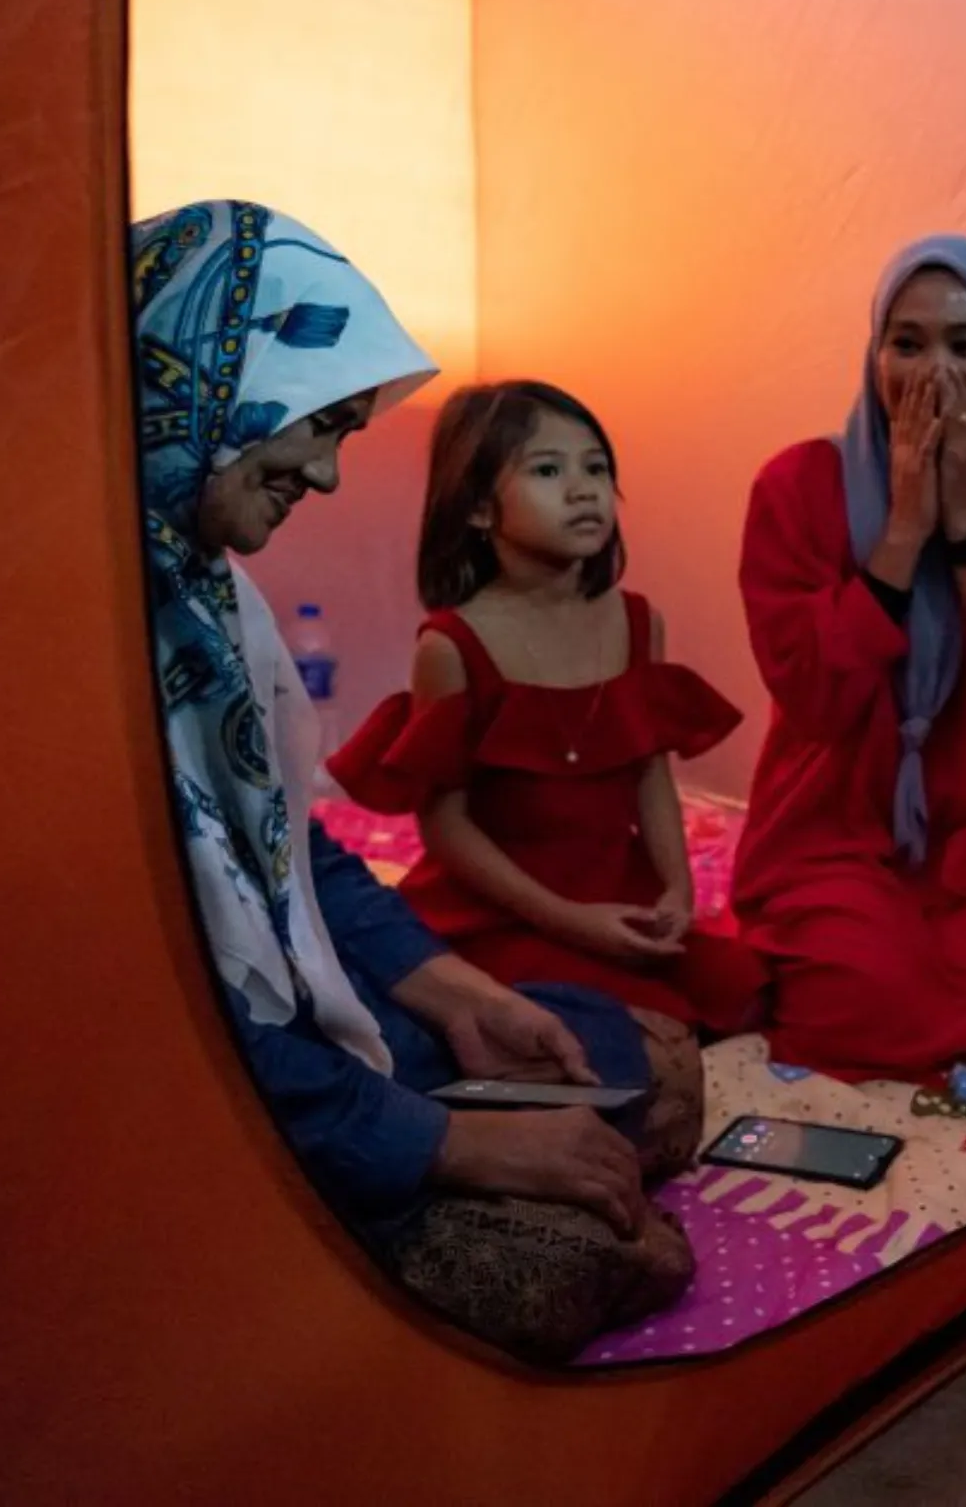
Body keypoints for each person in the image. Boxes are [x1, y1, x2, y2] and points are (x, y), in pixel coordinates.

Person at [135, 200, 700, 1366]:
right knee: (574, 1245)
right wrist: (446, 1144)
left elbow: (299, 854)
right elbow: (165, 1013)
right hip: (191, 1089)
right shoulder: (69, 642)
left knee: (645, 1061)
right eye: (320, 427)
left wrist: (459, 999)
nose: (335, 479)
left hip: (296, 1029)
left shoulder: (207, 598)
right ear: (204, 379)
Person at [732, 236, 966, 1082]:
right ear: (873, 359)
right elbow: (814, 696)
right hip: (825, 832)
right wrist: (902, 530)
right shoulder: (796, 488)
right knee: (863, 1004)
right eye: (908, 344)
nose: (934, 373)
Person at [330, 379, 766, 1034]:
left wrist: (677, 888)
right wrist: (567, 919)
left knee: (745, 991)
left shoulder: (638, 621)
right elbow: (446, 828)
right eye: (547, 470)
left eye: (596, 467)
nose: (583, 488)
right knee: (633, 1028)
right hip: (507, 906)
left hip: (612, 890)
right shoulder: (454, 645)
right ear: (479, 509)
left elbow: (650, 776)